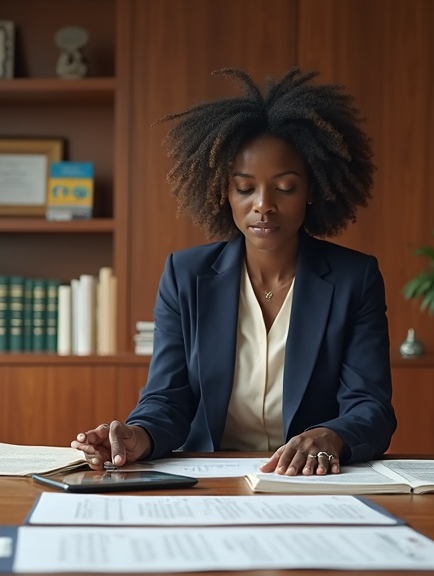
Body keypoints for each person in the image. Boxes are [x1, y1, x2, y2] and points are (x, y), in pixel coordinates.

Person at [71, 68, 395, 476]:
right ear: (223, 191)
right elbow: (167, 399)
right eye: (245, 188)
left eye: (286, 187)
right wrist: (139, 436)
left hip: (310, 479)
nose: (263, 205)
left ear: (312, 190)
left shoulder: (354, 279)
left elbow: (371, 407)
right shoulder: (184, 275)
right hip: (211, 476)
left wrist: (331, 436)